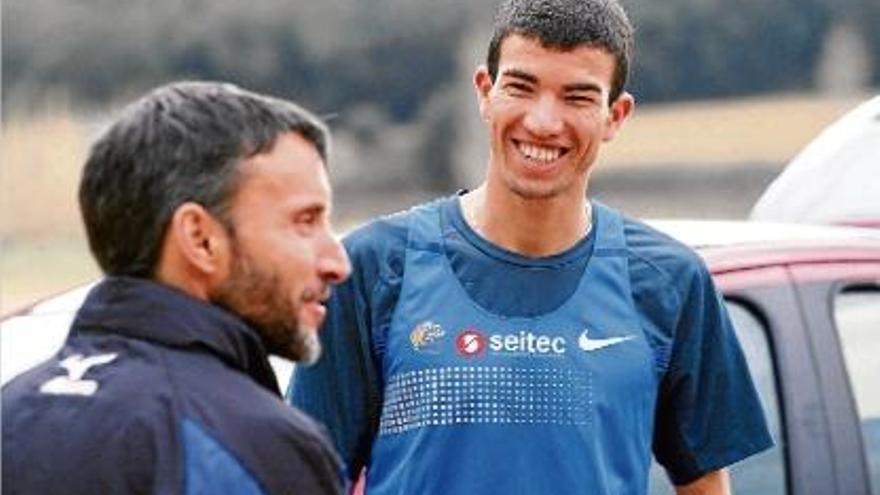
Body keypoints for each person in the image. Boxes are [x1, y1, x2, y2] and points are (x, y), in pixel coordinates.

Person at [290, 0, 772, 494]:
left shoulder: (671, 282)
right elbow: (304, 480)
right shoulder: (372, 268)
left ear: (615, 115)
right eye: (521, 87)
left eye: (577, 97)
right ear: (485, 92)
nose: (543, 122)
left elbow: (705, 485)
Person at [2, 81, 351, 494]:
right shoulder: (256, 446)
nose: (337, 264)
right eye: (305, 222)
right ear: (201, 239)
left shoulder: (11, 410)